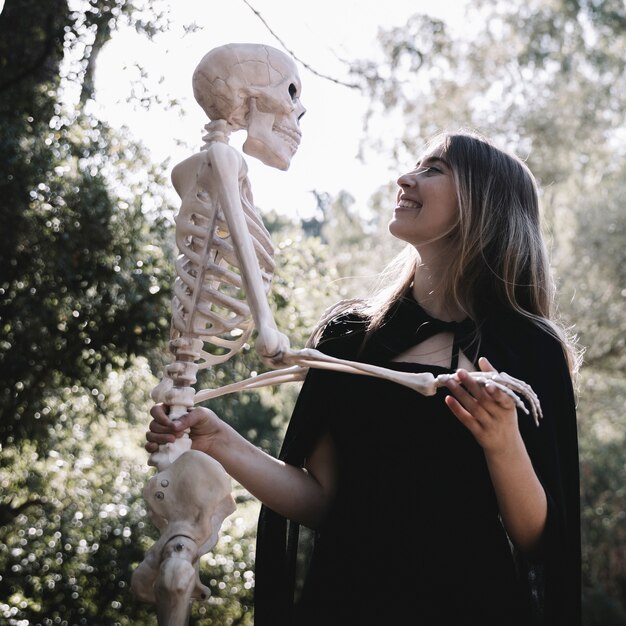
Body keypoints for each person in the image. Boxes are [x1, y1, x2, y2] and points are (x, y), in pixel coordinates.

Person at [146, 130, 582, 626]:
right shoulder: (348, 337)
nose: (404, 178)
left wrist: (503, 442)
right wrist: (218, 440)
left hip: (472, 605)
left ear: (484, 206)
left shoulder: (529, 349)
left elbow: (538, 540)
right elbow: (323, 502)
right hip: (344, 600)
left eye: (433, 169)